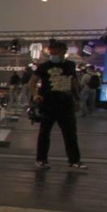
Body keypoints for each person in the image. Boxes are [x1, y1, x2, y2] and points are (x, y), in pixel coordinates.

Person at [32, 39, 85, 170]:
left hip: (66, 103)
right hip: (48, 103)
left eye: (56, 53)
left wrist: (77, 99)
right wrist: (35, 95)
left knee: (70, 133)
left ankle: (74, 160)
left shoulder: (70, 65)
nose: (53, 55)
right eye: (52, 53)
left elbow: (73, 83)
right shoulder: (44, 66)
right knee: (44, 133)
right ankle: (41, 159)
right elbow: (32, 82)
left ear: (63, 52)